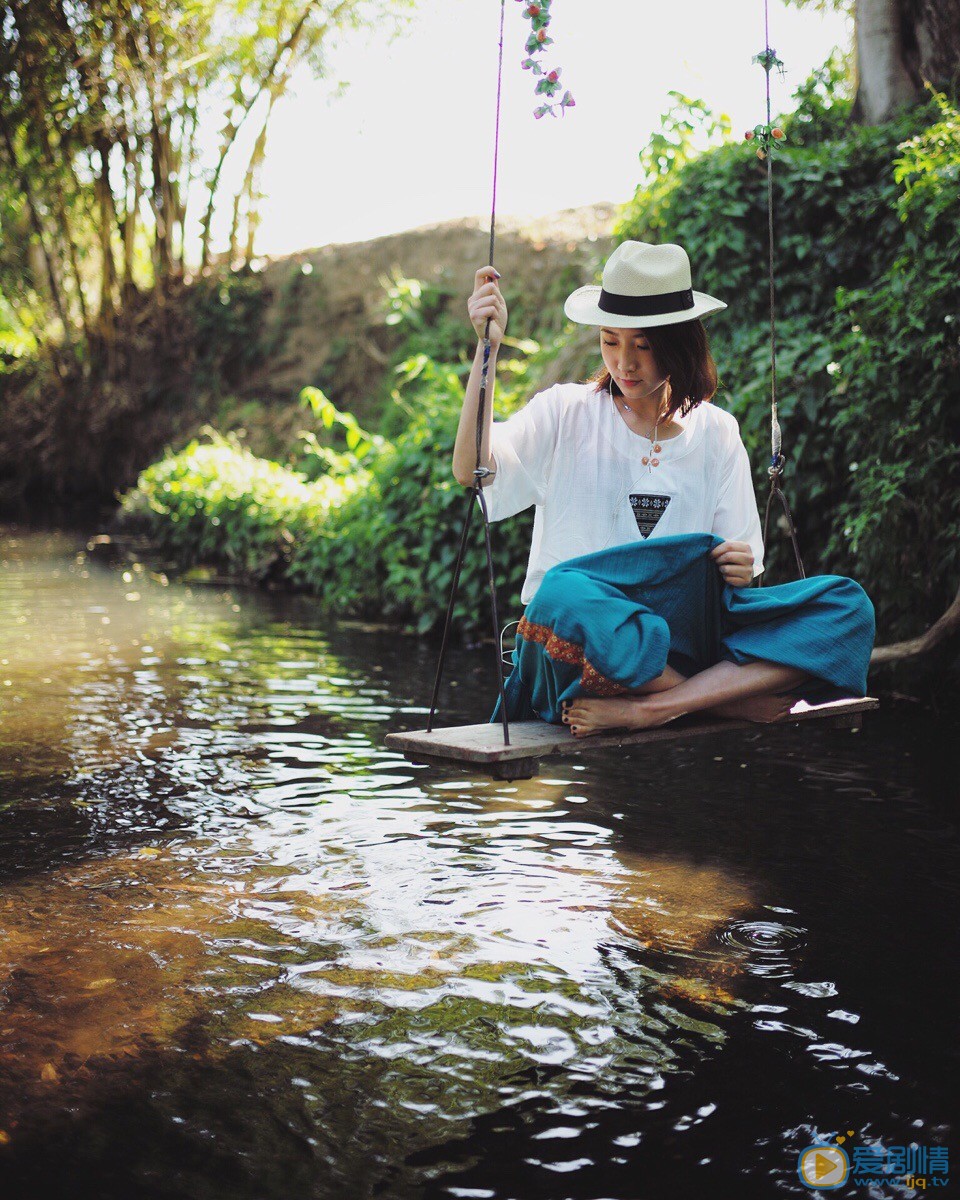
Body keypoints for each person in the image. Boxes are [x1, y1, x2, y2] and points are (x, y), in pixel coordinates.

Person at [452, 241, 874, 738]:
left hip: (676, 645)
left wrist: (737, 566)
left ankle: (658, 706)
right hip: (577, 645)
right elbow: (471, 470)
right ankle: (715, 702)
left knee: (847, 606)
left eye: (643, 346)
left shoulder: (717, 432)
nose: (623, 363)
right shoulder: (565, 411)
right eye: (610, 341)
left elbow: (736, 581)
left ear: (679, 345)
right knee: (562, 591)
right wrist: (488, 350)